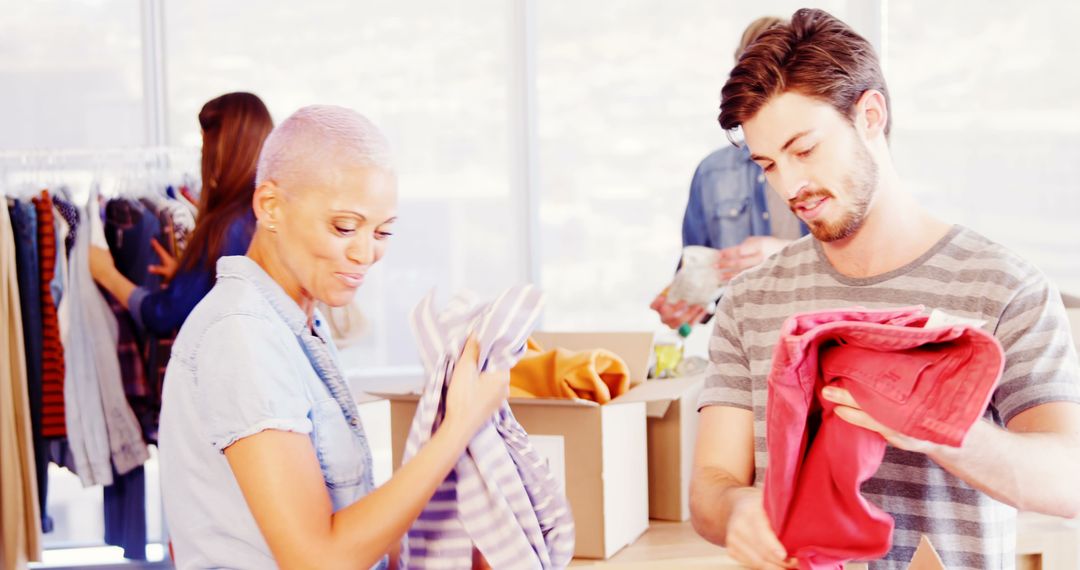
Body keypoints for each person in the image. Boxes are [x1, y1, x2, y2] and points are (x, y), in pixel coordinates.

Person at [689, 8, 1080, 569]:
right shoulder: (749, 303)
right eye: (768, 164)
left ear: (870, 115)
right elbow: (711, 483)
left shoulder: (1004, 288)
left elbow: (1069, 479)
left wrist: (942, 428)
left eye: (804, 150)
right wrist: (734, 511)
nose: (790, 186)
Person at [157, 105, 511, 569]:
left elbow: (345, 523)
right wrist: (458, 426)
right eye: (344, 227)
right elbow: (317, 560)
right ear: (270, 207)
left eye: (383, 232)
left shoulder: (300, 325)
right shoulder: (242, 336)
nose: (366, 253)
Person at [651, 16, 807, 330]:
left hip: (818, 334)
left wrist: (783, 254)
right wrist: (684, 302)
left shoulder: (821, 156)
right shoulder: (711, 174)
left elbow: (856, 258)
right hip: (745, 343)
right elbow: (698, 277)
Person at [89, 92, 273, 335]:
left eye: (204, 146)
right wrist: (192, 278)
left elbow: (162, 314)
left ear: (222, 150)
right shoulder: (264, 215)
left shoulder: (225, 226)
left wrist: (106, 273)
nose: (202, 156)